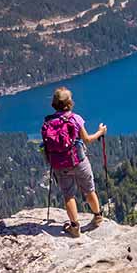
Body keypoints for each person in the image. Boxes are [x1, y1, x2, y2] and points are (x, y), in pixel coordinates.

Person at [41, 87, 106, 237]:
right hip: (79, 161)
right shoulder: (75, 118)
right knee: (89, 190)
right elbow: (87, 139)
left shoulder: (48, 122)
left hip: (60, 164)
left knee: (68, 195)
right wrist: (101, 132)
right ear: (70, 103)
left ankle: (74, 227)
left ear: (54, 104)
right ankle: (97, 216)